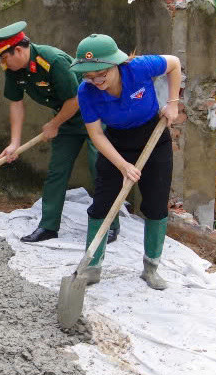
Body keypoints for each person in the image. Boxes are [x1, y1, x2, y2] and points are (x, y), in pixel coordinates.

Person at [0, 21, 120, 243]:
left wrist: (54, 124)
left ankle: (110, 225)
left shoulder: (52, 60)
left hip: (95, 117)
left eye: (4, 58)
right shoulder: (14, 70)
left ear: (18, 50)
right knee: (57, 172)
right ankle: (48, 227)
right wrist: (14, 143)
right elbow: (16, 103)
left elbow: (75, 99)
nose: (2, 64)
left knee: (100, 168)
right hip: (66, 122)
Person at [70, 34, 181, 290]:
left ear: (115, 64)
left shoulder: (138, 68)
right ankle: (92, 267)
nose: (96, 81)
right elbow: (96, 134)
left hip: (153, 139)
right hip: (116, 143)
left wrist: (173, 103)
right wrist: (122, 165)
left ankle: (151, 268)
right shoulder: (86, 92)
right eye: (89, 76)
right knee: (102, 204)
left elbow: (174, 63)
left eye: (101, 74)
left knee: (155, 204)